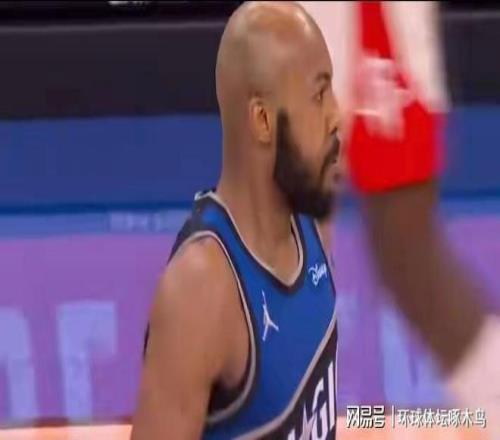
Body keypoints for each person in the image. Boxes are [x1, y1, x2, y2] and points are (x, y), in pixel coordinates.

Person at [132, 2, 342, 439]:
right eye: (319, 95)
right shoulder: (201, 289)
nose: (336, 115)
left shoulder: (313, 223)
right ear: (263, 121)